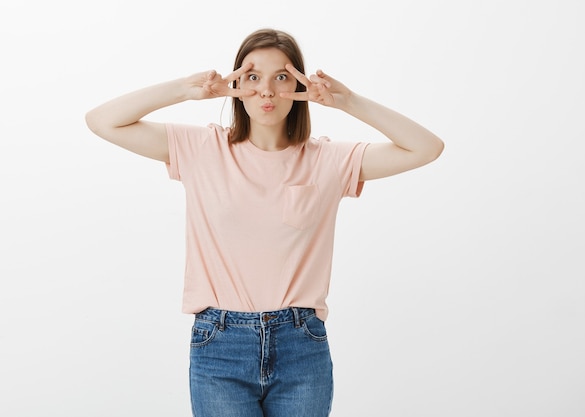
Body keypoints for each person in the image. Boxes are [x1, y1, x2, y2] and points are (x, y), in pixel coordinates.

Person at [85, 28, 444, 417]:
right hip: (220, 344)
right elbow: (102, 121)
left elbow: (427, 148)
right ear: (237, 83)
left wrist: (349, 102)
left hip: (301, 345)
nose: (267, 91)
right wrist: (184, 90)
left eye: (282, 77)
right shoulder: (202, 149)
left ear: (300, 85)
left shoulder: (328, 159)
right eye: (253, 77)